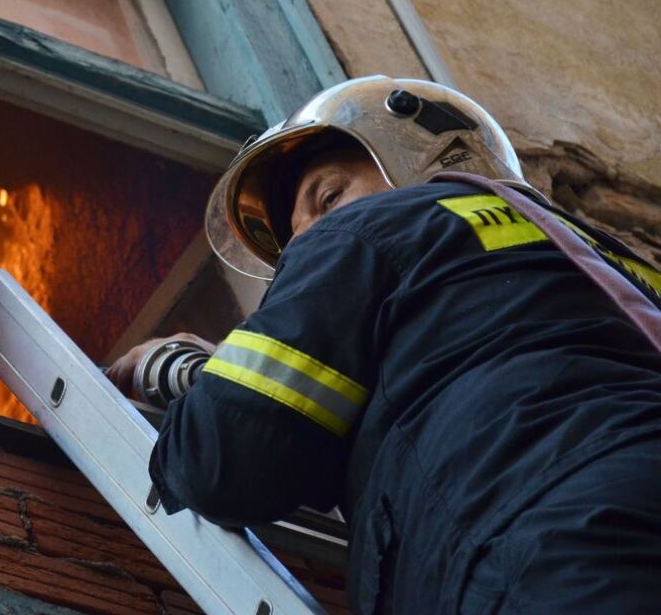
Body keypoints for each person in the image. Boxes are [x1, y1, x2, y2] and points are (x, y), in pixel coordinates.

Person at [107, 76, 661, 614]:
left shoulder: (379, 226)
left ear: (420, 158)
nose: (305, 241)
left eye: (326, 198)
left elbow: (226, 458)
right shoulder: (621, 269)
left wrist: (172, 364)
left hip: (558, 535)